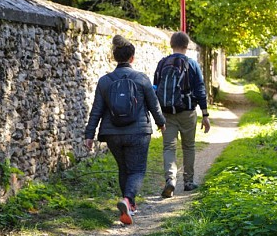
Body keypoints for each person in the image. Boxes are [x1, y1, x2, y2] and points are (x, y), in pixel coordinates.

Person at [84, 35, 166, 225]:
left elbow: (96, 110)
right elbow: (154, 105)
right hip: (138, 132)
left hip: (112, 133)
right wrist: (161, 123)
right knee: (137, 170)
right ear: (132, 58)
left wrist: (89, 134)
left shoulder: (105, 81)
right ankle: (128, 200)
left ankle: (129, 206)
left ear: (114, 57)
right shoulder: (141, 79)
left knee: (124, 168)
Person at [154, 31, 211, 198]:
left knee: (169, 147)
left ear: (171, 45)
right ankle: (188, 181)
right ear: (187, 46)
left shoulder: (162, 63)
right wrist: (205, 114)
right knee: (189, 146)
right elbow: (200, 89)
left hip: (167, 112)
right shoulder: (192, 64)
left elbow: (155, 87)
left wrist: (157, 114)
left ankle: (170, 180)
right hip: (187, 111)